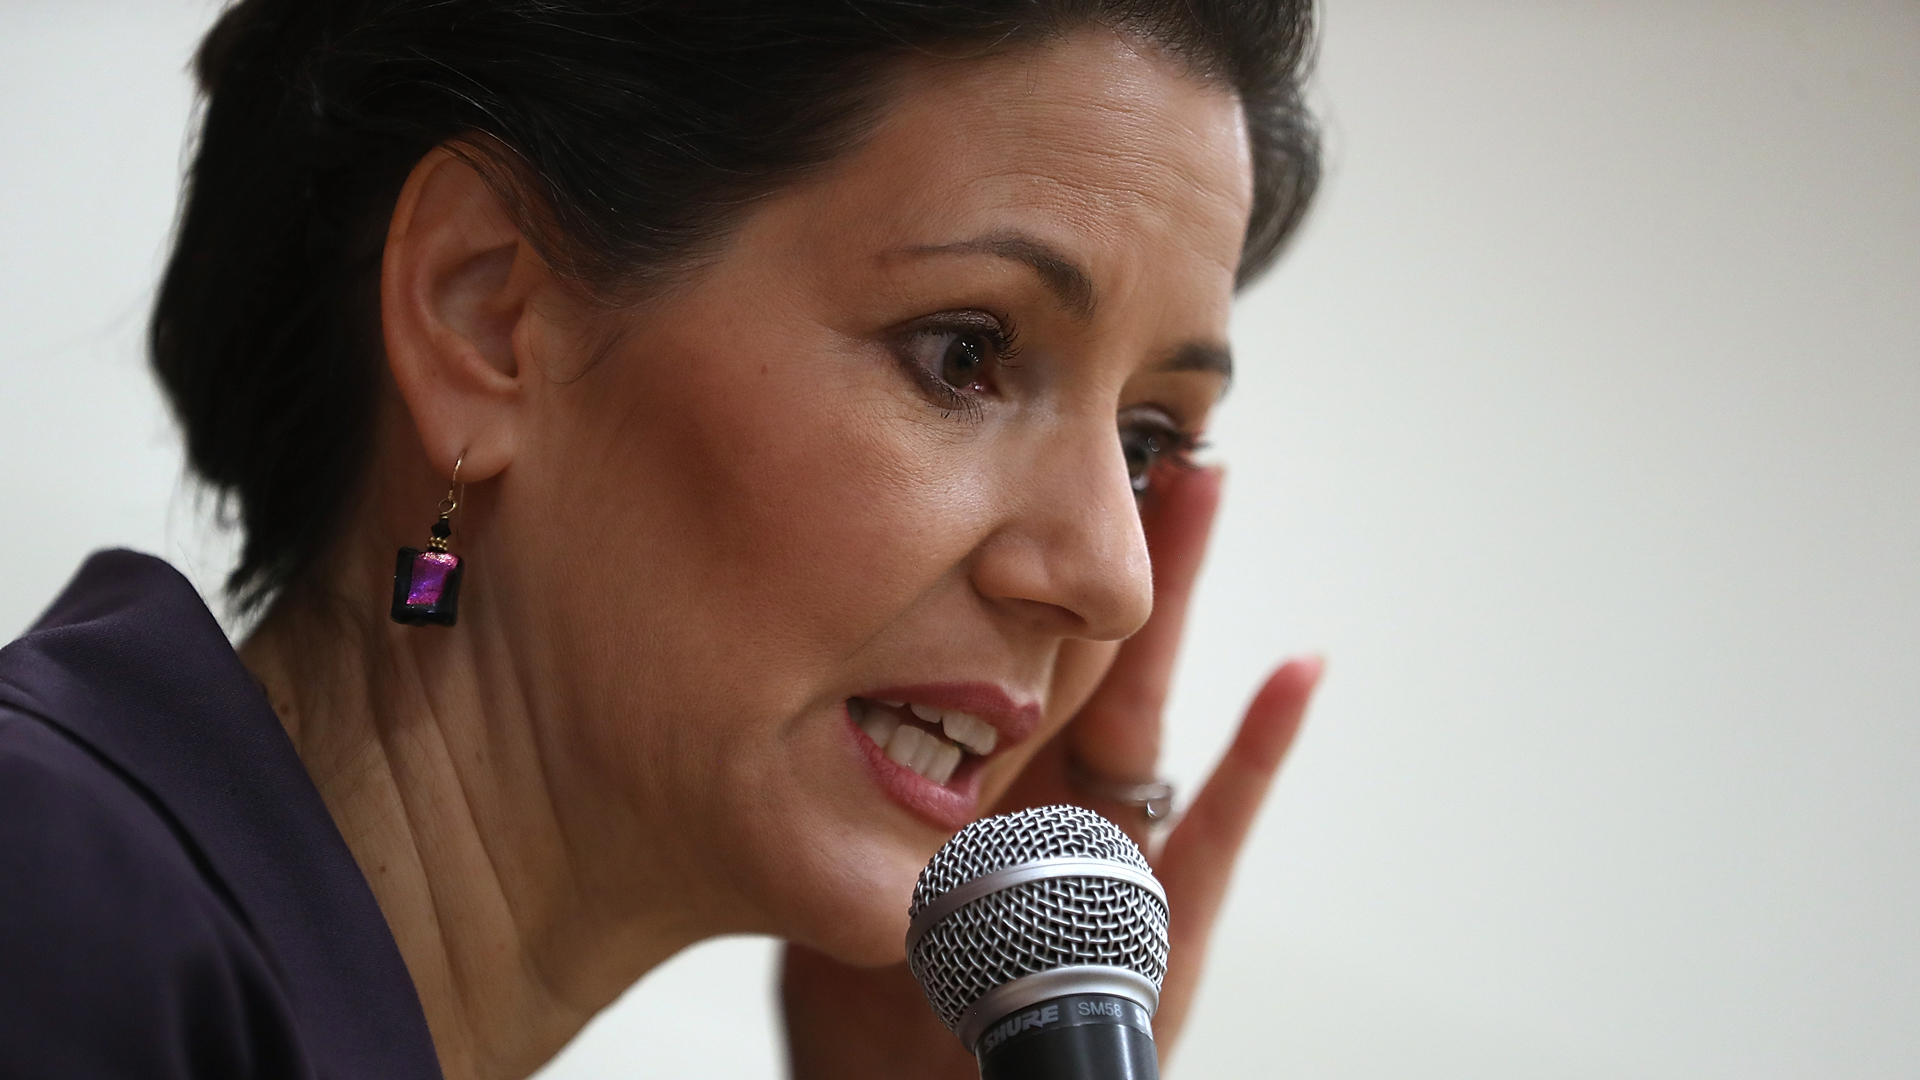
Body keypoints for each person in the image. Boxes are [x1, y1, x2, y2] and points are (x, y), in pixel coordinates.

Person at [0, 1, 1323, 1077]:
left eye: (1147, 441)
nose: (1111, 576)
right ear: (489, 317)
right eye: (963, 353)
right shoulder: (50, 904)